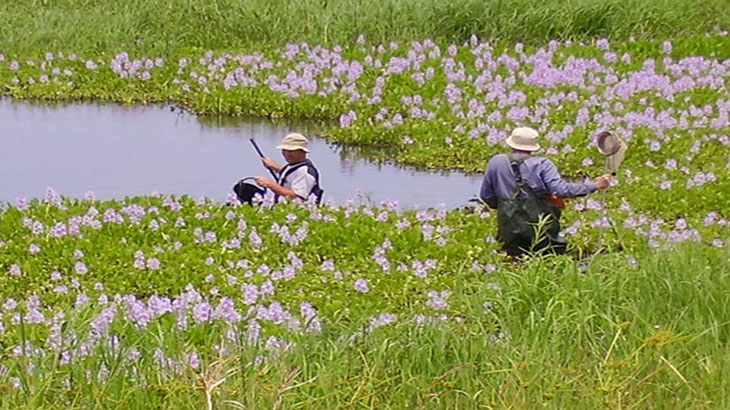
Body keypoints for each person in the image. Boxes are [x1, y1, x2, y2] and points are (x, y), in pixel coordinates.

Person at [479, 127, 611, 255]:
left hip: (508, 232)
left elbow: (486, 196)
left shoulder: (496, 161)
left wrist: (507, 206)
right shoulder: (543, 164)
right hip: (541, 232)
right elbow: (561, 190)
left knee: (511, 258)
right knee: (550, 255)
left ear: (511, 143)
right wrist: (593, 185)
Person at [233, 133, 323, 205]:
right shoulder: (294, 165)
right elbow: (291, 174)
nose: (286, 154)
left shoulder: (306, 172)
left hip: (296, 213)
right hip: (282, 207)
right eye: (284, 150)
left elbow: (296, 197)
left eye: (291, 151)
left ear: (303, 151)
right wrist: (274, 166)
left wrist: (269, 184)